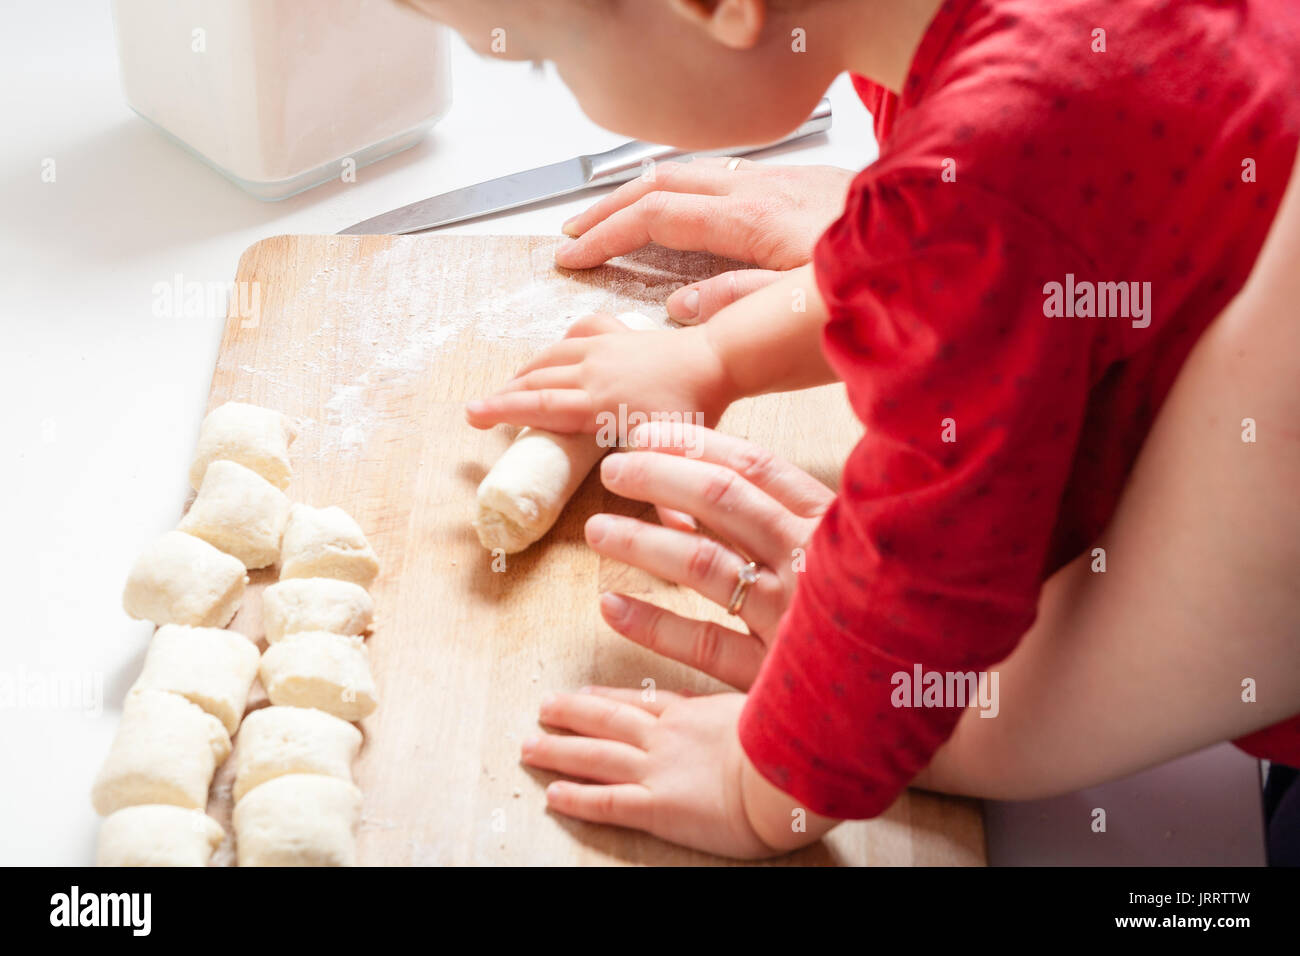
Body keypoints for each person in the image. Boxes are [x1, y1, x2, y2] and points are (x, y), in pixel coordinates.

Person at [406, 0, 1300, 856]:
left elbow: (928, 576)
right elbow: (961, 274)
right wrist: (715, 358)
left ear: (716, 5)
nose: (556, 83)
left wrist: (761, 787)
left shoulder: (986, 160)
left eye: (540, 57)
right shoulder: (975, 50)